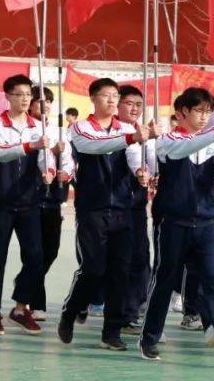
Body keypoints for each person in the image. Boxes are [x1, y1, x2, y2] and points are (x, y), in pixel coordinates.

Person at [140, 87, 214, 367]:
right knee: (165, 279)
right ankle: (149, 337)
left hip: (206, 223)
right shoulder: (166, 142)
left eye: (207, 111)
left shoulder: (210, 142)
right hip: (174, 222)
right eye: (198, 110)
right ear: (181, 113)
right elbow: (189, 146)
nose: (204, 116)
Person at [59, 77, 150, 352]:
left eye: (115, 96)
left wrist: (140, 171)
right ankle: (71, 309)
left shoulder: (126, 128)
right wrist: (131, 137)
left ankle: (111, 331)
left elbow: (134, 155)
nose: (111, 101)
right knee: (94, 268)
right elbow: (94, 145)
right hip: (92, 207)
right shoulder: (81, 128)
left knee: (120, 271)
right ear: (93, 99)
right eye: (106, 96)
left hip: (123, 207)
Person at [0, 74, 54, 336]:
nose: (25, 99)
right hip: (2, 201)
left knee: (36, 256)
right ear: (8, 96)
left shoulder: (39, 125)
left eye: (28, 94)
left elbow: (43, 157)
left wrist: (48, 170)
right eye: (19, 94)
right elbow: (1, 152)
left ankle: (20, 307)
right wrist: (30, 145)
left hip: (29, 201)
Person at [30, 85, 73, 322]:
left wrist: (64, 173)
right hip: (32, 200)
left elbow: (67, 160)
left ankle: (24, 285)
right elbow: (37, 159)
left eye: (48, 101)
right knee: (35, 253)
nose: (44, 105)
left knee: (51, 251)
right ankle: (37, 302)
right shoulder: (28, 128)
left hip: (53, 200)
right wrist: (45, 170)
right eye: (39, 101)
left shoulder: (59, 130)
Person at [117, 84, 155, 334]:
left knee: (141, 257)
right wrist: (139, 171)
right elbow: (133, 157)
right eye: (129, 103)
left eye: (138, 105)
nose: (134, 109)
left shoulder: (145, 132)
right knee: (116, 261)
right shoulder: (113, 131)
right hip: (113, 204)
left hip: (137, 204)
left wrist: (152, 173)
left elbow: (152, 158)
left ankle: (133, 309)